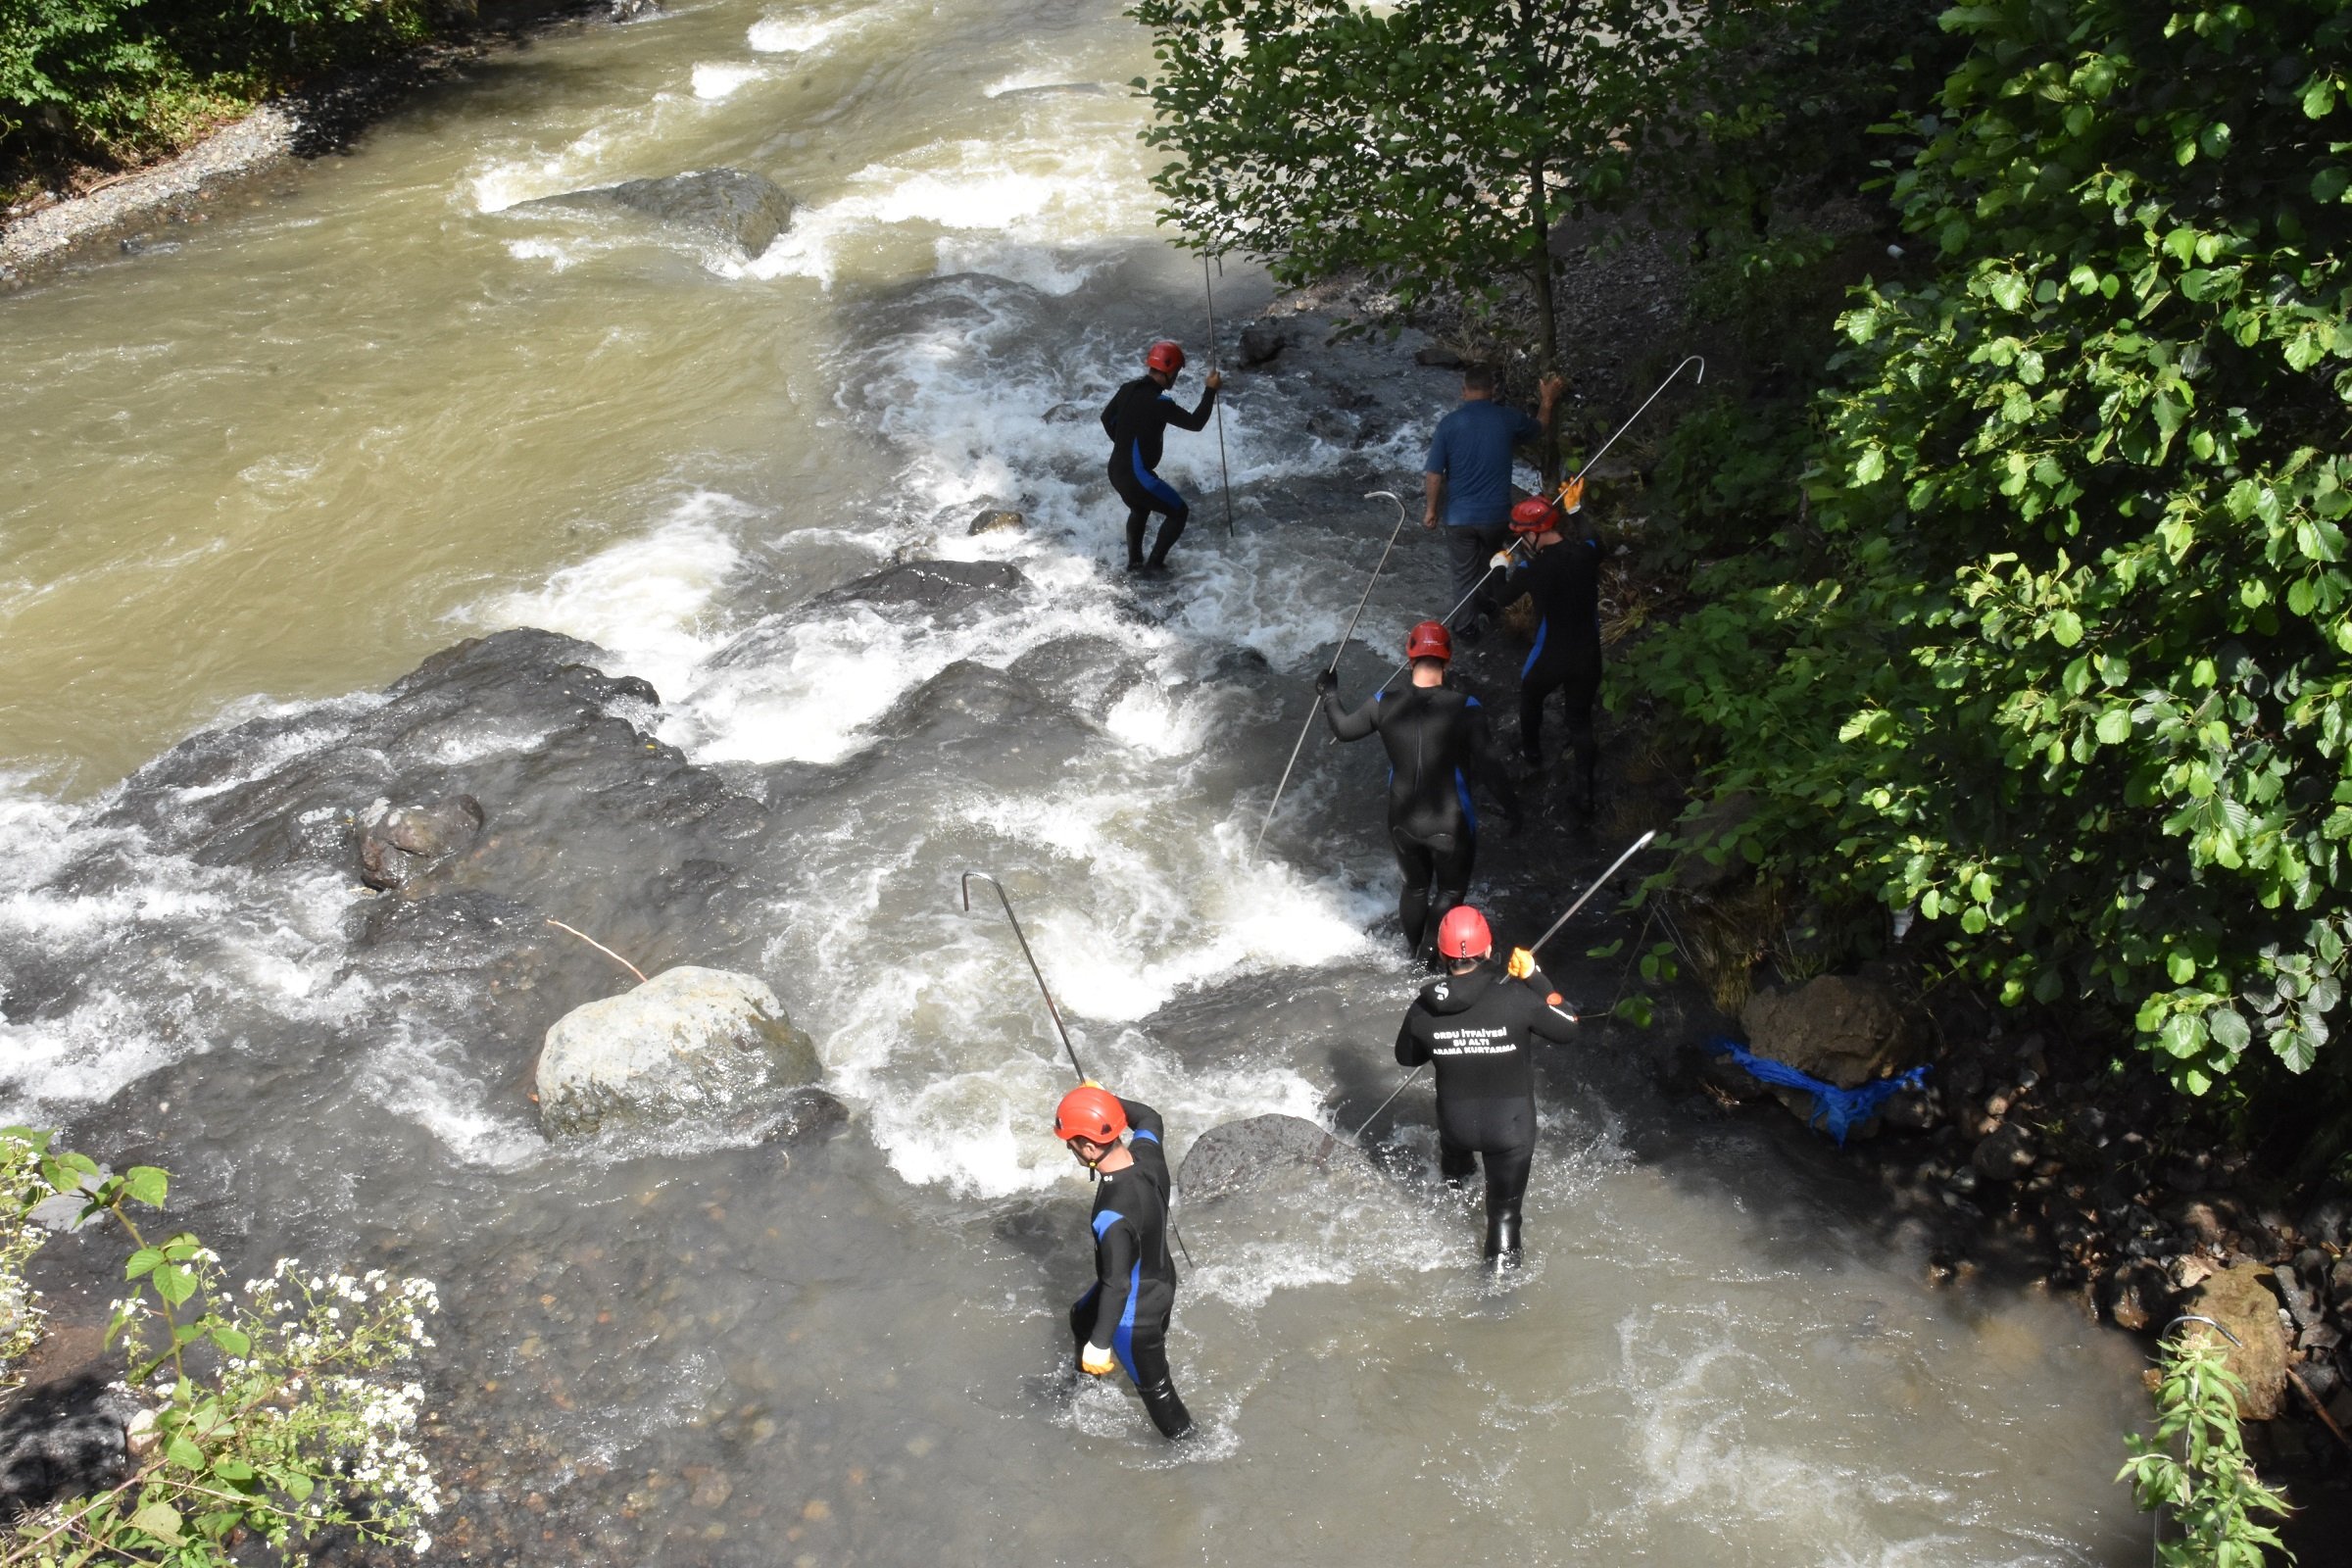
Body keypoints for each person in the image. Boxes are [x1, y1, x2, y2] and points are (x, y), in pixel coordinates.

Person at [1392, 904, 1581, 1271]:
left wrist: (1448, 1039)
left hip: (1455, 1126)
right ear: (1490, 951)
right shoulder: (1518, 998)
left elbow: (1407, 1058)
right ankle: (1498, 1300)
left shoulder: (1423, 1008)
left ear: (1444, 956)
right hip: (1508, 1129)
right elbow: (1569, 1026)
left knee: (1455, 1180)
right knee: (1504, 1214)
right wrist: (1536, 977)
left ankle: (1447, 1222)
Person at [1316, 619, 1520, 957]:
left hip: (1402, 822)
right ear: (1448, 660)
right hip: (1449, 823)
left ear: (1409, 660)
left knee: (1414, 887)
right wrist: (1513, 811)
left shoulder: (1382, 702)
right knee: (1450, 891)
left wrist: (1329, 693)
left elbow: (1344, 728)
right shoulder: (1466, 707)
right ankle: (1428, 958)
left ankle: (1414, 955)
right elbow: (1491, 768)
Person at [1055, 1083, 1193, 1440]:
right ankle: (1081, 1389)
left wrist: (1101, 1345)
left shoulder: (1111, 1215)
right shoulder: (1149, 1156)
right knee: (1080, 1316)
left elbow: (1117, 1284)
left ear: (1087, 1147)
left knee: (1160, 1395)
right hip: (1161, 1278)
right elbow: (1149, 1116)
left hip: (1135, 1315)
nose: (1069, 1148)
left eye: (1070, 1143)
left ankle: (1195, 1451)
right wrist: (1104, 1102)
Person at [1422, 366, 1567, 641]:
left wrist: (1431, 510)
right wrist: (1547, 400)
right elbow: (1540, 427)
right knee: (1492, 558)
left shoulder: (1448, 424)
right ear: (1493, 391)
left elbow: (1434, 473)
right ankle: (1490, 603)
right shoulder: (1507, 419)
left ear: (1464, 391)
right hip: (1497, 516)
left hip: (1459, 518)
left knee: (1464, 575)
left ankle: (1465, 627)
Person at [1503, 487, 1603, 813]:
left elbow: (1498, 598)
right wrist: (1576, 510)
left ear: (1534, 533)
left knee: (1530, 695)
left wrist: (1497, 567)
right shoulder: (1587, 553)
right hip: (1588, 655)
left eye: (1521, 536)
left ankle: (1532, 757)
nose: (1520, 543)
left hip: (1552, 656)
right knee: (1580, 721)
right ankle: (1586, 793)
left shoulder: (1533, 570)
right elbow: (1595, 540)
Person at [1101, 340, 1222, 575]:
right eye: (1176, 373)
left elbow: (1106, 418)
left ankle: (1135, 563)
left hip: (1116, 470)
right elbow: (1196, 423)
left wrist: (1124, 444)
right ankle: (1153, 566)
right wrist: (1210, 390)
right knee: (1178, 512)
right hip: (1136, 476)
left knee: (1140, 509)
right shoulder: (1159, 403)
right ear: (1170, 372)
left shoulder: (1127, 388)